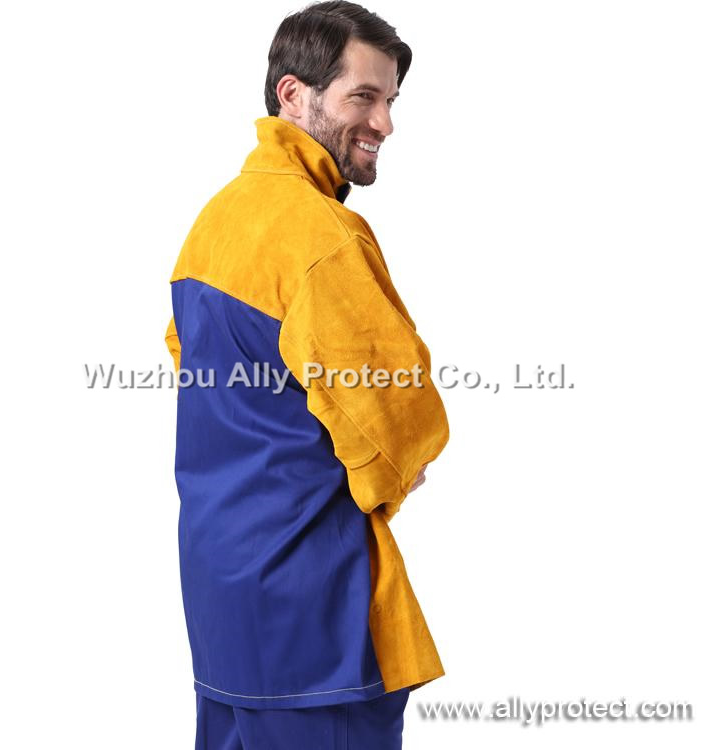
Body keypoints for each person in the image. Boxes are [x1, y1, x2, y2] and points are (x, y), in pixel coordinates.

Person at [164, 2, 449, 747]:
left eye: (391, 101)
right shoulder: (320, 235)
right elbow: (399, 425)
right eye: (364, 97)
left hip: (221, 596)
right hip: (316, 614)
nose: (385, 123)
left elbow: (188, 362)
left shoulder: (214, 223)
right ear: (293, 95)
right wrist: (391, 472)